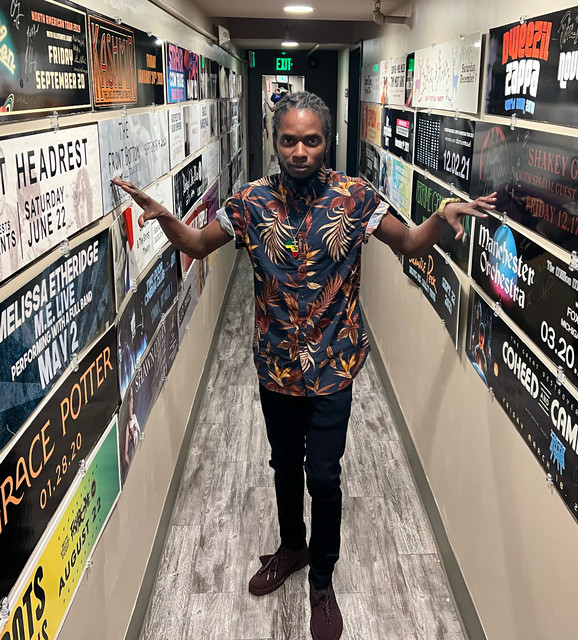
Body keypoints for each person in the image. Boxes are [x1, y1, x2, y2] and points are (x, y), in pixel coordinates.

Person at [112, 91, 496, 640]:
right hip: (275, 365)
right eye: (289, 140)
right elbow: (196, 245)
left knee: (324, 475)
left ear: (326, 141)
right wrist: (167, 218)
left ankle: (321, 578)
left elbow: (411, 244)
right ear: (274, 141)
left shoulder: (355, 198)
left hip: (334, 364)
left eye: (311, 140)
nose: (299, 151)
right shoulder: (250, 203)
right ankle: (292, 547)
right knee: (284, 465)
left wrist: (438, 216)